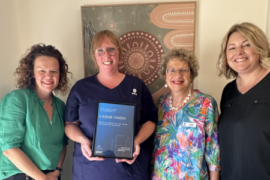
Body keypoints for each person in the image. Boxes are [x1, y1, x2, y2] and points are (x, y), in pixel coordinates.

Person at [64, 30, 158, 180]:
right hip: (90, 170)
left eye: (111, 49)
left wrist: (136, 141)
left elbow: (150, 121)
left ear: (119, 52)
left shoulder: (137, 85)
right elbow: (70, 124)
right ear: (94, 55)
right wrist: (83, 140)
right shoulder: (81, 88)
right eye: (100, 50)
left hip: (131, 170)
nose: (106, 55)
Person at [0, 44, 72, 180]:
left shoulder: (61, 106)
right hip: (19, 175)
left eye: (54, 71)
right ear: (32, 72)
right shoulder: (17, 99)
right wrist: (42, 178)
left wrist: (57, 172)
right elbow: (9, 148)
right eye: (42, 71)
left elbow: (63, 143)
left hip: (51, 176)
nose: (48, 76)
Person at [151, 48, 220, 180]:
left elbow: (213, 149)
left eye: (183, 70)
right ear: (165, 75)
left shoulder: (206, 103)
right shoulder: (161, 103)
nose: (177, 75)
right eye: (171, 70)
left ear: (191, 74)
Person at [217, 22, 270, 180]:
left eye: (246, 45)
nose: (239, 52)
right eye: (232, 48)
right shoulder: (228, 91)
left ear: (260, 48)